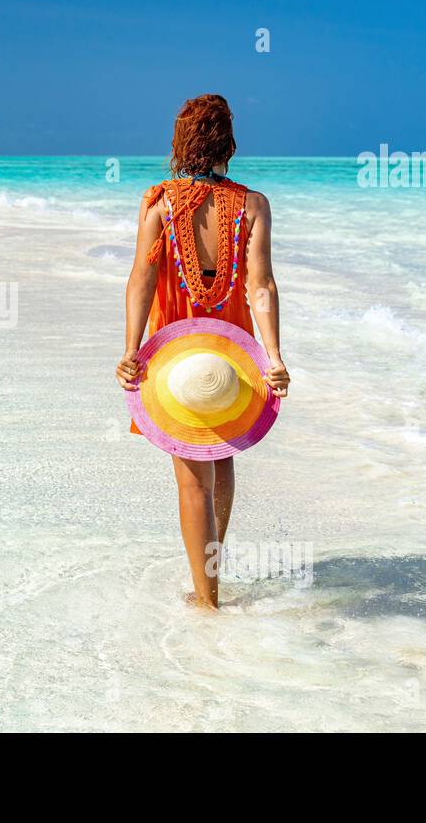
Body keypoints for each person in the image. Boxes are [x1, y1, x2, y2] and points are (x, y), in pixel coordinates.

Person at [115, 94, 290, 610]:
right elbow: (262, 286)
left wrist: (131, 350)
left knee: (193, 475)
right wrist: (273, 355)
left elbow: (140, 280)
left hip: (177, 346)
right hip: (230, 347)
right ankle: (211, 567)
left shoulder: (160, 203)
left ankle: (206, 601)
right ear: (228, 144)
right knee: (221, 451)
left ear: (181, 142)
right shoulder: (253, 205)